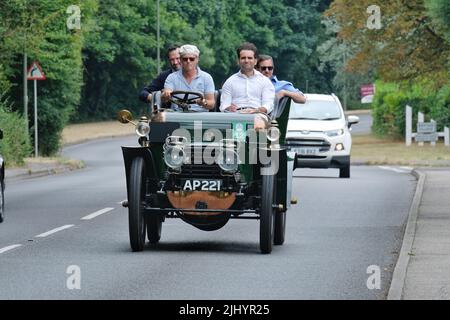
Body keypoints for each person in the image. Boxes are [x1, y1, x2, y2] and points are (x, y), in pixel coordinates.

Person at [220, 42, 275, 114]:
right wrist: (228, 108)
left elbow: (268, 105)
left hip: (258, 114)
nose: (246, 61)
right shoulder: (230, 82)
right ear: (238, 61)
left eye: (249, 58)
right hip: (235, 115)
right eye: (243, 58)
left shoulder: (265, 81)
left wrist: (256, 110)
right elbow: (224, 105)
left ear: (255, 61)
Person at [162, 44, 215, 112]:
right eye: (185, 59)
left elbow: (211, 104)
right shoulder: (171, 77)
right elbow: (165, 97)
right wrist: (166, 94)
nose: (188, 61)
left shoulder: (207, 78)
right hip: (177, 115)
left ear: (197, 59)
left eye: (192, 59)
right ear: (180, 60)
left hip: (200, 116)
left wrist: (203, 102)